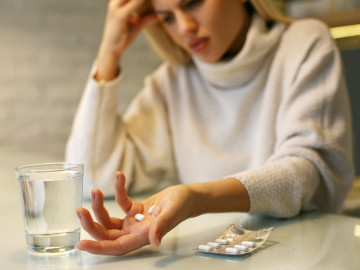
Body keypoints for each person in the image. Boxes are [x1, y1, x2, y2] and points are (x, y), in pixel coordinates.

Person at [66, 0, 354, 255]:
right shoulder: (173, 82)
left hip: (306, 254)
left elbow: (308, 173)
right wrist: (109, 52)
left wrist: (197, 199)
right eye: (167, 17)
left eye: (193, 3)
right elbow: (92, 175)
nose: (185, 27)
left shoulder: (304, 43)